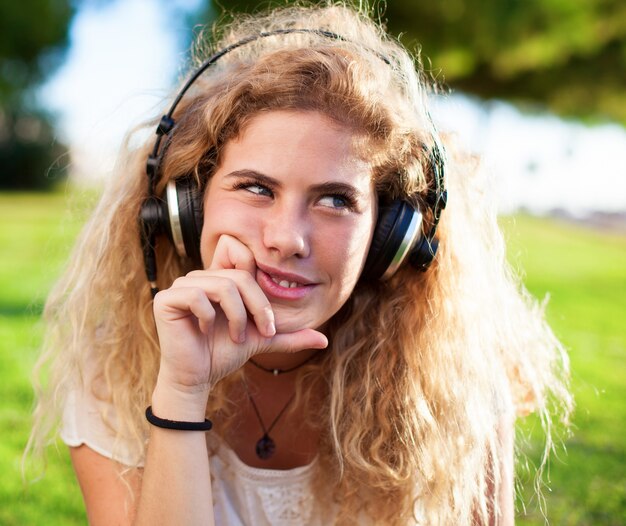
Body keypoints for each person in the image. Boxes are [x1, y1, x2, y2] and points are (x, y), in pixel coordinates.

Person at [27, 3, 572, 525]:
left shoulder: (455, 374)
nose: (287, 238)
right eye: (256, 188)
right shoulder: (116, 372)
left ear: (391, 236)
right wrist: (182, 391)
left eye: (335, 200)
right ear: (186, 208)